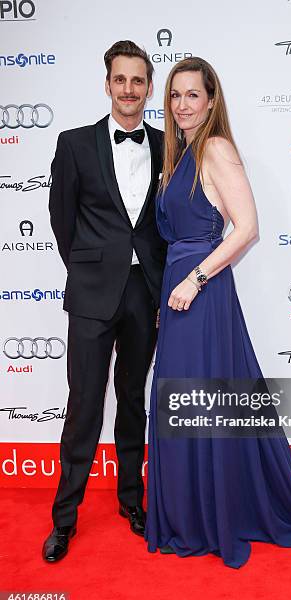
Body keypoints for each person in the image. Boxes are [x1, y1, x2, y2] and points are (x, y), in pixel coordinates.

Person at [145, 57, 291, 568]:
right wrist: (172, 293)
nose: (183, 104)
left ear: (211, 101)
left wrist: (196, 278)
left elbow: (247, 226)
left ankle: (213, 514)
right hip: (178, 294)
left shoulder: (214, 147)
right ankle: (190, 514)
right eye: (175, 95)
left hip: (203, 294)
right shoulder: (178, 154)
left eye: (193, 94)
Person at [43, 40, 167, 563]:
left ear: (148, 87)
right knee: (84, 406)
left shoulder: (169, 144)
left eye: (138, 81)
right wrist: (90, 270)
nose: (129, 90)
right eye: (121, 80)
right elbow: (61, 220)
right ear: (107, 83)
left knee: (134, 401)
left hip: (146, 293)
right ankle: (64, 520)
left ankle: (132, 503)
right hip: (93, 294)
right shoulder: (73, 144)